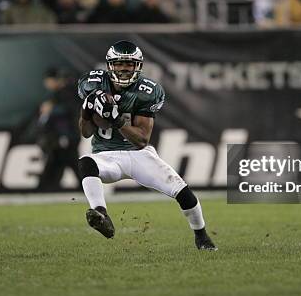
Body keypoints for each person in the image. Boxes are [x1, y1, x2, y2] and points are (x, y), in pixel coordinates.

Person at [76, 41, 217, 251]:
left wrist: (117, 120)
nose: (124, 69)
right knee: (86, 162)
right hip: (105, 155)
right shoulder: (92, 84)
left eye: (129, 64)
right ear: (109, 65)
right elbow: (86, 132)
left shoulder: (147, 90)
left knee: (183, 192)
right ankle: (101, 213)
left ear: (138, 66)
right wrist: (86, 112)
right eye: (119, 63)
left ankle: (202, 236)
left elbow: (141, 140)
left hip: (138, 155)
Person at [37, 67, 78, 191]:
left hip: (65, 136)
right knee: (57, 163)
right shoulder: (55, 94)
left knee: (68, 162)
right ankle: (46, 187)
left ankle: (44, 188)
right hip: (59, 137)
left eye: (49, 80)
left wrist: (52, 109)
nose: (47, 84)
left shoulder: (67, 92)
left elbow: (71, 110)